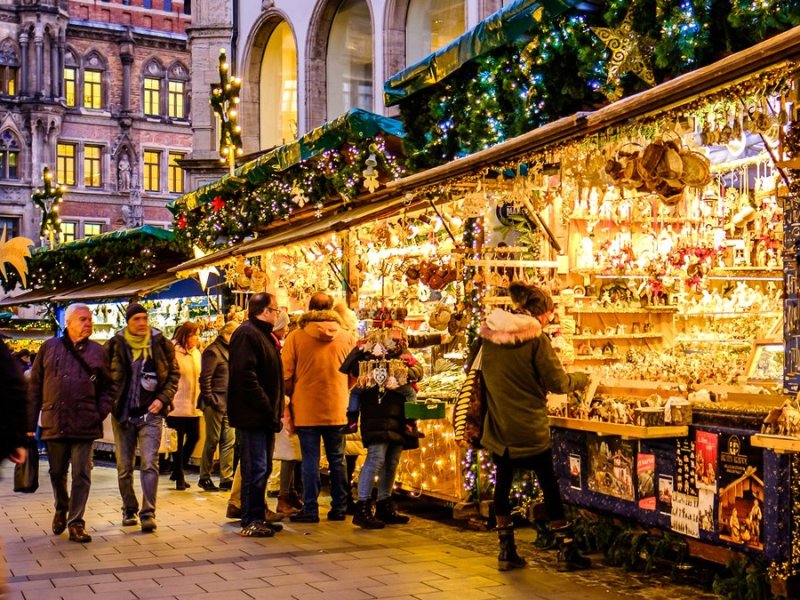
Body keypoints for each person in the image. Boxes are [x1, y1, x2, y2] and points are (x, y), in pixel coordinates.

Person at [479, 282, 591, 572]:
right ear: (540, 314)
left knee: (502, 482)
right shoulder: (535, 340)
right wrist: (583, 377)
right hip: (529, 426)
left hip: (499, 426)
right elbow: (559, 383)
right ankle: (566, 548)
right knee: (549, 484)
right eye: (548, 316)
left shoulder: (489, 336)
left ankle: (506, 550)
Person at [26, 304, 113, 543]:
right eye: (83, 320)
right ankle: (61, 506)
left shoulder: (98, 351)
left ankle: (76, 522)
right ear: (69, 323)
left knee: (82, 473)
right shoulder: (49, 348)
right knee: (56, 472)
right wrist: (29, 423)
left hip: (85, 422)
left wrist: (99, 412)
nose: (88, 324)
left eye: (90, 320)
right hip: (54, 420)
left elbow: (109, 387)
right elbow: (35, 388)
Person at [106, 302, 180, 533]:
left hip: (151, 413)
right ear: (128, 322)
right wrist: (109, 401)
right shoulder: (116, 344)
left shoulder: (161, 343)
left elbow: (174, 374)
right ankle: (129, 509)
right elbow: (104, 375)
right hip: (123, 414)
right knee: (124, 467)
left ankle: (148, 512)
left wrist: (163, 399)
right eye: (136, 319)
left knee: (149, 463)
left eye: (144, 318)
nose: (141, 323)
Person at [282, 292, 356, 523]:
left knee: (310, 460)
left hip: (305, 407)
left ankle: (311, 510)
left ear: (309, 308)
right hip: (338, 406)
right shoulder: (347, 337)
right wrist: (343, 388)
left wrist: (293, 394)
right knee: (337, 460)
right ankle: (339, 508)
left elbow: (285, 375)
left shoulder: (296, 337)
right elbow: (355, 374)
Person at [340, 326, 423, 529]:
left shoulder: (404, 355)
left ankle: (385, 503)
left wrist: (400, 373)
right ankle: (363, 506)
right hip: (376, 414)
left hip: (398, 415)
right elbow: (351, 369)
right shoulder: (365, 353)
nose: (394, 342)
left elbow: (418, 371)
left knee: (392, 460)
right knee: (376, 458)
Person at [227, 293, 284, 537]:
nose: (278, 313)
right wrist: (266, 406)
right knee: (255, 468)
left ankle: (258, 514)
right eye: (276, 309)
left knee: (263, 467)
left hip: (264, 415)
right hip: (253, 416)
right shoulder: (248, 334)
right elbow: (245, 377)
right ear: (264, 311)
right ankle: (250, 519)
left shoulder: (262, 334)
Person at [197, 320, 238, 492]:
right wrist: (210, 399)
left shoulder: (230, 351)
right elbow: (205, 378)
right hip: (215, 403)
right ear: (227, 334)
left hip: (228, 402)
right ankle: (204, 476)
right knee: (212, 440)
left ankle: (226, 478)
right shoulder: (213, 351)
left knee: (229, 441)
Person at [167, 321, 202, 490]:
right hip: (176, 404)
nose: (196, 338)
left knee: (195, 436)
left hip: (193, 404)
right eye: (194, 334)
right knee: (177, 442)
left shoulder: (196, 353)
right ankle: (179, 476)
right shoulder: (172, 352)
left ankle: (177, 469)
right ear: (185, 336)